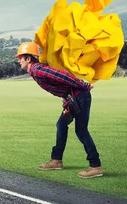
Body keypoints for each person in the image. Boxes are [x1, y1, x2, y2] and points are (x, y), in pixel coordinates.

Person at [15, 42, 103, 179]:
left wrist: (84, 85)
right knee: (61, 125)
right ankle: (56, 160)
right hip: (73, 98)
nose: (18, 60)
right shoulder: (35, 71)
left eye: (20, 57)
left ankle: (95, 166)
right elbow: (59, 84)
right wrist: (66, 98)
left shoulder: (38, 69)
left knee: (81, 130)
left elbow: (62, 76)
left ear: (28, 59)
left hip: (80, 96)